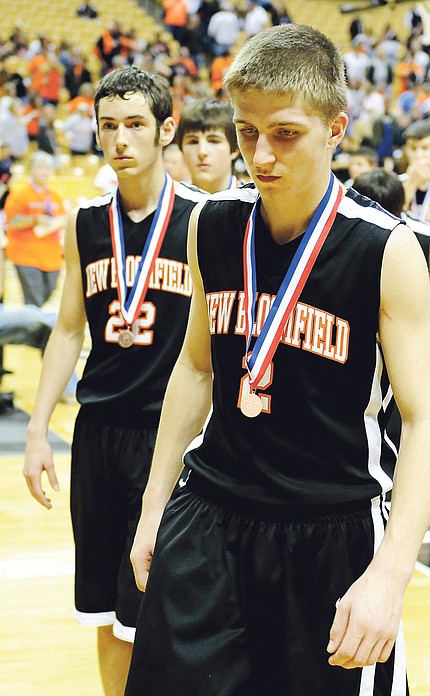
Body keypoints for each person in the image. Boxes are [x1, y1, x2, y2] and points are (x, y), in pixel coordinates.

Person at [125, 25, 430, 696]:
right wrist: (156, 503)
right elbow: (193, 368)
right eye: (247, 132)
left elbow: (425, 421)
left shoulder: (384, 249)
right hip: (210, 517)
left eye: (285, 133)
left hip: (330, 533)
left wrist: (390, 575)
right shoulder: (211, 225)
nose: (260, 155)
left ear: (336, 128)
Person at [22, 65, 206, 696]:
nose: (120, 139)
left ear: (165, 131)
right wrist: (39, 429)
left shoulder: (206, 221)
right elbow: (68, 330)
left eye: (135, 125)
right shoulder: (84, 222)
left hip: (171, 439)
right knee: (106, 613)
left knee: (167, 605)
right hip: (98, 433)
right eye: (109, 127)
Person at [352, 168, 430, 484]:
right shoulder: (337, 236)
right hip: (357, 353)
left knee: (403, 436)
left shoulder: (429, 241)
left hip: (405, 357)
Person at [3, 151, 68, 307]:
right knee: (34, 301)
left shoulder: (55, 196)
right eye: (40, 167)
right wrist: (35, 219)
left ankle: (35, 329)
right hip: (26, 254)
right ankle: (34, 331)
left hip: (52, 256)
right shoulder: (20, 193)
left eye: (48, 168)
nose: (45, 172)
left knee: (48, 294)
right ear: (31, 169)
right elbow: (12, 221)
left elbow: (62, 218)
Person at [175, 97, 241, 194]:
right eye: (193, 141)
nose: (202, 152)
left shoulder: (255, 202)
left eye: (213, 141)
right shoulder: (171, 200)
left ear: (235, 148)